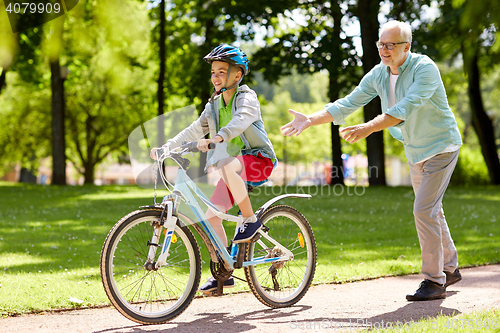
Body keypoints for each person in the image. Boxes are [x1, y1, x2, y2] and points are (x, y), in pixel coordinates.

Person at [282, 20, 462, 301]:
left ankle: (434, 280)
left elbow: (405, 108)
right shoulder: (379, 74)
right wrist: (310, 119)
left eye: (391, 44)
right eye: (381, 44)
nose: (384, 49)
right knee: (431, 210)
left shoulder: (424, 69)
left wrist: (368, 127)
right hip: (415, 150)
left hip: (441, 147)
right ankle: (449, 269)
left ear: (407, 47)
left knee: (424, 210)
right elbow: (348, 102)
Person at [151, 44, 277, 293]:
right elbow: (194, 129)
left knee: (226, 164)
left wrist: (218, 138)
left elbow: (241, 120)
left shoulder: (246, 97)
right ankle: (225, 273)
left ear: (237, 75)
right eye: (213, 72)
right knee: (212, 216)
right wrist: (167, 146)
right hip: (233, 169)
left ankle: (250, 220)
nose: (216, 77)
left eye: (222, 71)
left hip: (258, 160)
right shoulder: (214, 106)